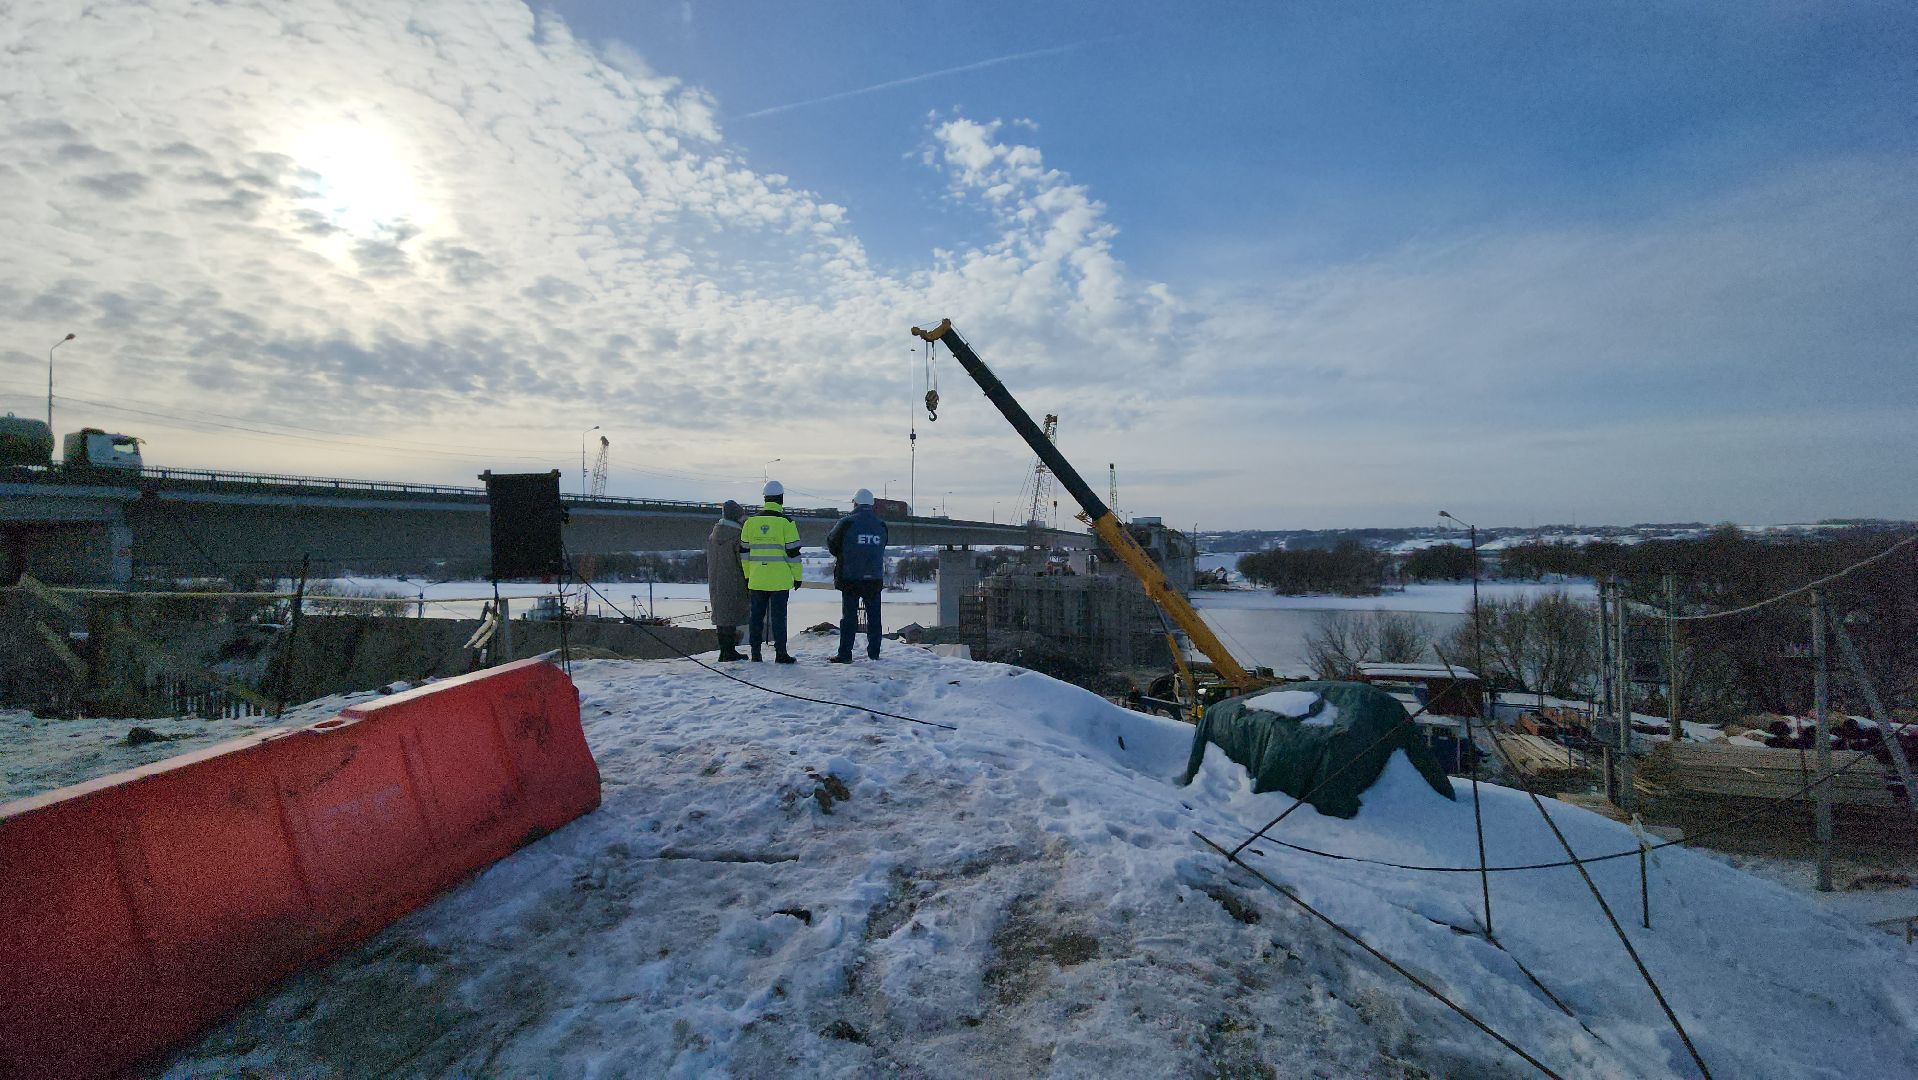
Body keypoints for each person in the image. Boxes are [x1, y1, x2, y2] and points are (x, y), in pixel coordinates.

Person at [739, 480, 803, 663]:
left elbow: (744, 553)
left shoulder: (750, 523)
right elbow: (794, 554)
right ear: (781, 499)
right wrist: (797, 578)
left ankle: (756, 653)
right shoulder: (787, 523)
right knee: (779, 618)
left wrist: (748, 575)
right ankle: (780, 653)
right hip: (780, 581)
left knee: (756, 618)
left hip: (757, 579)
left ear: (765, 498)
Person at [826, 487, 889, 663]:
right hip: (874, 578)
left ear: (855, 503)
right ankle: (874, 654)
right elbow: (883, 545)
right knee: (875, 617)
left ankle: (845, 654)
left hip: (850, 577)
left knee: (849, 618)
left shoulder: (846, 523)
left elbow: (832, 543)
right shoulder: (881, 525)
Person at [705, 500, 750, 662]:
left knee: (722, 616)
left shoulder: (713, 536)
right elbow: (743, 562)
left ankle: (724, 651)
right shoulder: (737, 537)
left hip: (716, 580)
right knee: (731, 616)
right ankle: (729, 652)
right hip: (733, 580)